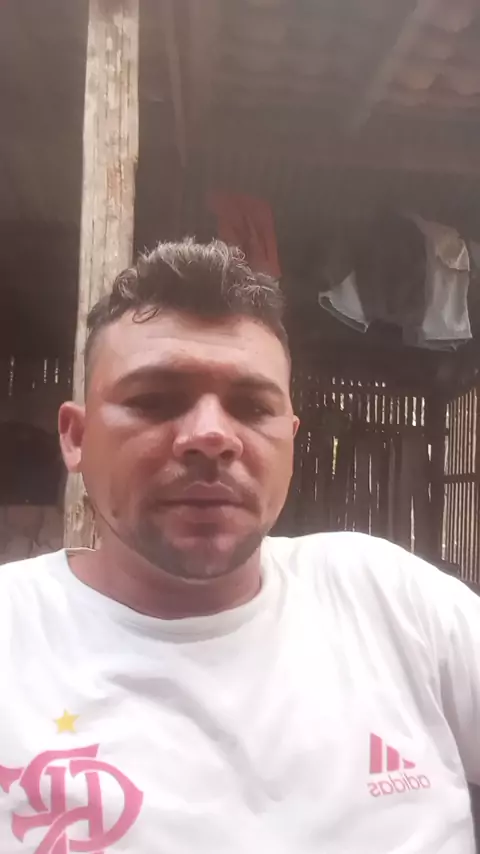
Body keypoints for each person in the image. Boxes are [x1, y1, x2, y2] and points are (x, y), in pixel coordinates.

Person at [1, 239, 479, 854]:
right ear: (76, 437)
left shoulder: (392, 601)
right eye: (154, 401)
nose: (210, 436)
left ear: (291, 438)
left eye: (252, 407)